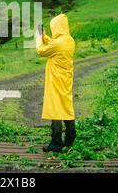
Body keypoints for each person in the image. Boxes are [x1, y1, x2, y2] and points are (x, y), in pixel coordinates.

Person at [36, 14, 76, 153]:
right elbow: (54, 44)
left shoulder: (58, 43)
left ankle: (56, 142)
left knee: (55, 110)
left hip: (55, 81)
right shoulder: (69, 40)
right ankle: (70, 138)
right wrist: (45, 36)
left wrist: (38, 39)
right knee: (66, 107)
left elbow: (41, 51)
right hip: (65, 80)